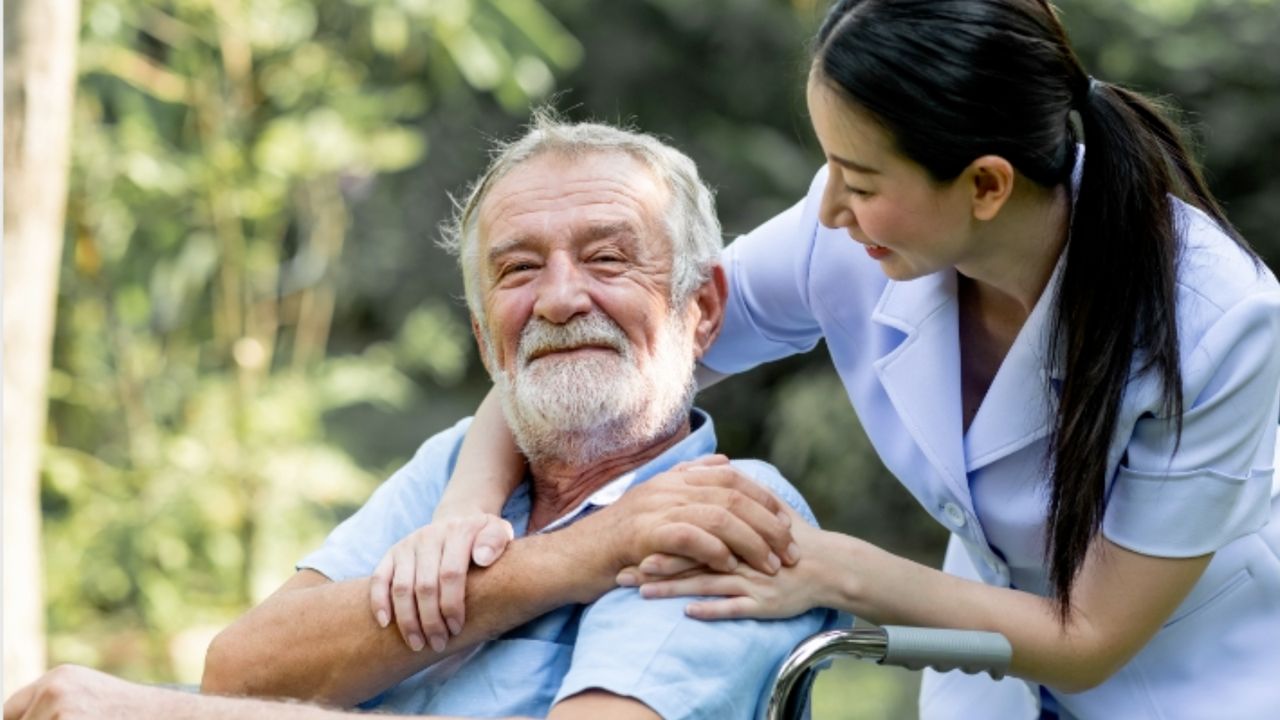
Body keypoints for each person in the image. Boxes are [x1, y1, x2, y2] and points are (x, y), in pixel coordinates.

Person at [428, 1, 1280, 718]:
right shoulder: (843, 235)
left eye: (861, 180)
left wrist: (823, 566)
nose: (829, 206)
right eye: (828, 166)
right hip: (986, 680)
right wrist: (465, 512)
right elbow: (596, 343)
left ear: (986, 186)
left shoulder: (1219, 323)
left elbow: (1089, 640)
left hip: (1189, 679)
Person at [5, 119, 828, 720]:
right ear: (483, 335)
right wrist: (582, 554)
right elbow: (242, 669)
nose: (561, 298)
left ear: (703, 309)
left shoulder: (729, 508)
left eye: (608, 257)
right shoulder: (457, 469)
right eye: (518, 269)